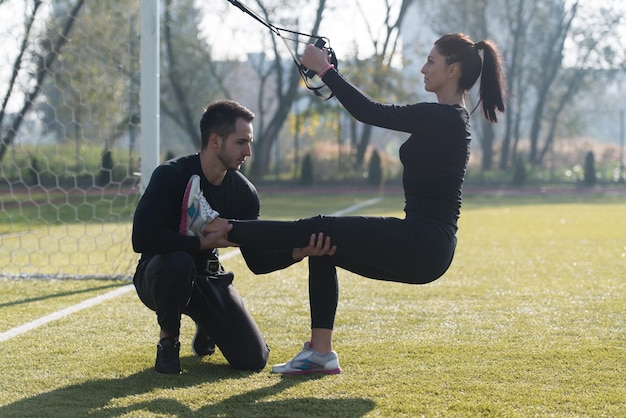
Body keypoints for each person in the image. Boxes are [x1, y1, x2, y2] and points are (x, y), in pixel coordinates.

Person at [185, 33, 506, 375]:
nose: (423, 69)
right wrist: (329, 71)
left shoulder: (445, 118)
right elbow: (372, 111)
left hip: (425, 242)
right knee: (322, 246)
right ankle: (320, 353)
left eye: (431, 61)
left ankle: (219, 227)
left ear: (453, 70)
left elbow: (370, 112)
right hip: (425, 244)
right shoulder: (446, 118)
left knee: (322, 226)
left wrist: (325, 70)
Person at [132, 99, 336, 375]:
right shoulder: (171, 175)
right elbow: (142, 238)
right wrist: (201, 243)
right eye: (241, 142)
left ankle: (207, 324)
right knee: (177, 262)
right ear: (215, 140)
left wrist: (297, 252)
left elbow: (257, 261)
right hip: (159, 275)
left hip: (208, 277)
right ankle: (168, 342)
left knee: (253, 359)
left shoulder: (243, 193)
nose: (248, 152)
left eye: (249, 142)